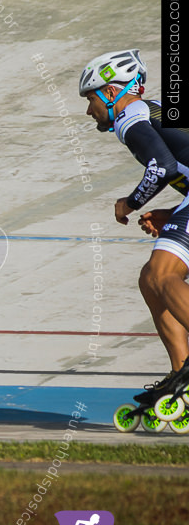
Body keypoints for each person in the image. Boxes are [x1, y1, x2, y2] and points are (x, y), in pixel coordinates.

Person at [80, 49, 189, 398]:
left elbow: (162, 167)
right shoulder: (154, 109)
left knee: (162, 275)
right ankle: (182, 373)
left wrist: (129, 204)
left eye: (90, 98)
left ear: (111, 92)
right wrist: (172, 213)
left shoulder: (130, 116)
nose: (88, 110)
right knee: (149, 279)